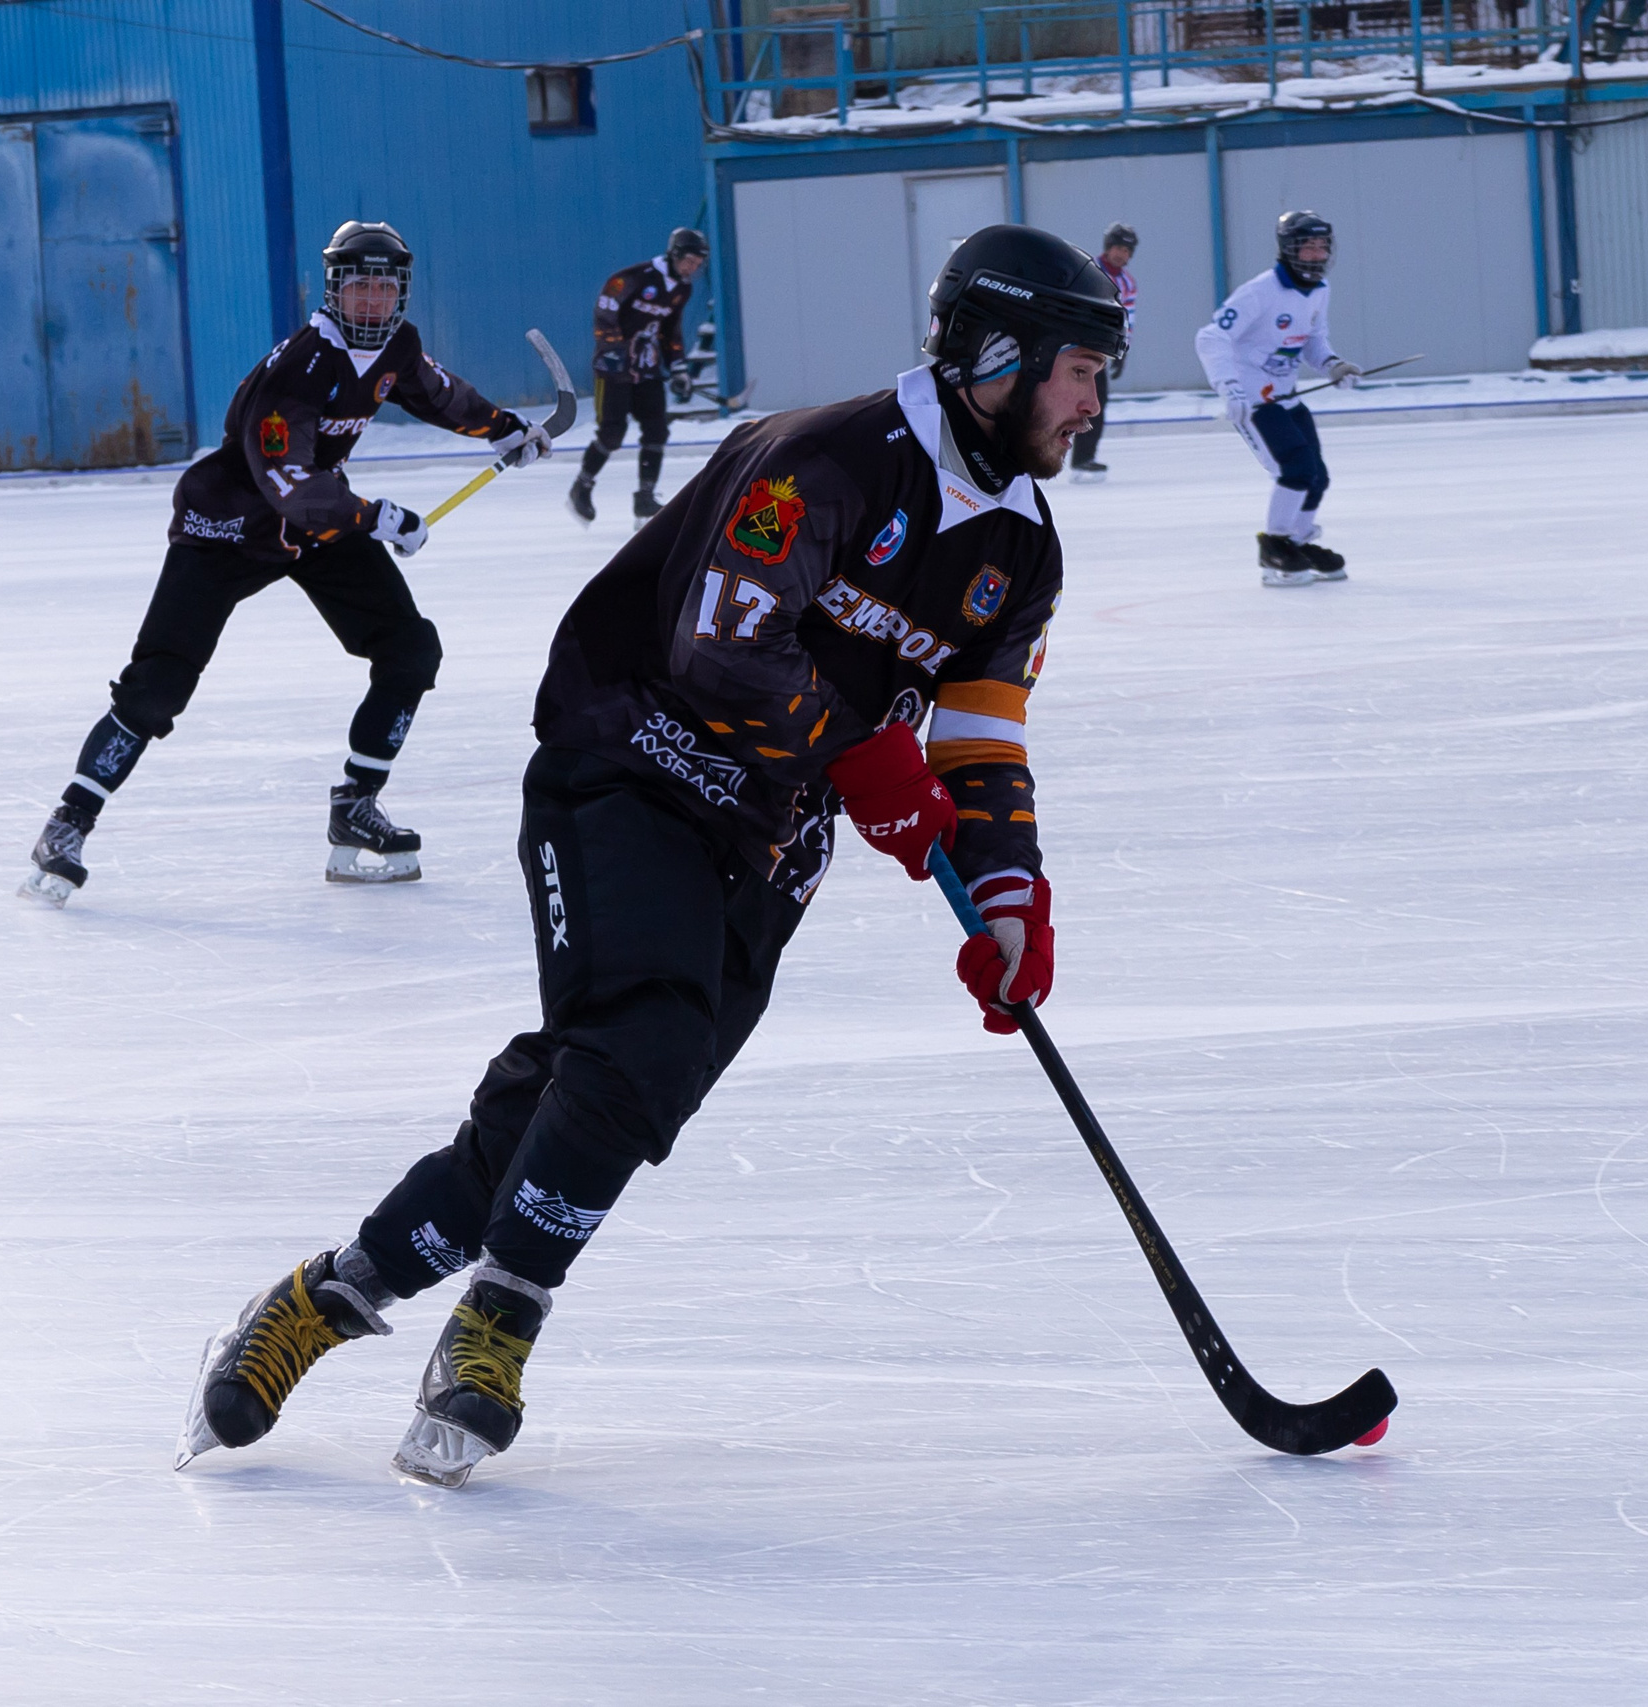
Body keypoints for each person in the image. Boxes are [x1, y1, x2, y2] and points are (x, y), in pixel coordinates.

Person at [173, 225, 1124, 1489]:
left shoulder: (1023, 551)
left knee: (588, 1099)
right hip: (627, 763)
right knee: (644, 1040)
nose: (1093, 400)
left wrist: (1008, 897)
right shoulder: (821, 459)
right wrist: (865, 759)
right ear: (994, 356)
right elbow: (723, 649)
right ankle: (494, 1328)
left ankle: (319, 1300)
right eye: (1079, 368)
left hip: (768, 840)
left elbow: (983, 734)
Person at [19, 222, 552, 904]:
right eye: (358, 287)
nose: (371, 303)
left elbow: (437, 391)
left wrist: (507, 428)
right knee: (159, 685)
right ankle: (67, 823)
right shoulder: (300, 367)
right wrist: (378, 517)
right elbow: (292, 484)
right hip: (230, 528)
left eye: (384, 290)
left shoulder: (396, 347)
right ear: (333, 291)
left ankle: (355, 805)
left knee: (410, 649)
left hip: (314, 531)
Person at [1196, 210, 1364, 586]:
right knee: (1296, 470)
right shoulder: (1260, 292)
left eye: (1323, 247)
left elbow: (1313, 341)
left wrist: (1332, 365)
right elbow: (1210, 337)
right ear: (1289, 250)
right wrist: (1228, 386)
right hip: (1253, 402)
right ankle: (1273, 549)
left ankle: (1297, 542)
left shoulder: (1320, 291)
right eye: (1309, 248)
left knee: (1317, 477)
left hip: (1287, 398)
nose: (1317, 255)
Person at [568, 227, 710, 525]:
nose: (693, 268)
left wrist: (679, 367)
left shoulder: (682, 289)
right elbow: (604, 312)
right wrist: (613, 348)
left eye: (698, 265)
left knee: (657, 431)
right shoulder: (633, 278)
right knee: (612, 433)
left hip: (648, 370)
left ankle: (645, 499)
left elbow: (670, 332)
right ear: (675, 254)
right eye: (690, 261)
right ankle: (582, 487)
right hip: (613, 370)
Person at [1067, 221, 1137, 481]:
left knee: (1095, 403)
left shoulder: (1128, 282)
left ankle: (1084, 458)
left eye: (1127, 251)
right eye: (1118, 248)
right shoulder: (1089, 270)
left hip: (1100, 351)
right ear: (1108, 247)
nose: (1122, 254)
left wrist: (1123, 348)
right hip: (1076, 344)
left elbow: (1128, 316)